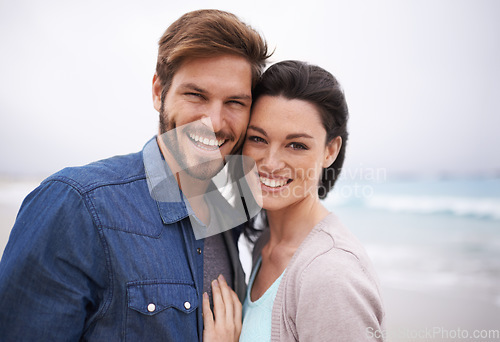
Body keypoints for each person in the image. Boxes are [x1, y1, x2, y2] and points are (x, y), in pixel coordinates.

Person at [0, 9, 270, 341]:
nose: (213, 121)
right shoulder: (78, 205)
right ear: (159, 92)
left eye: (234, 102)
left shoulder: (230, 205)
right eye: (196, 95)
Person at [234, 60, 385, 341]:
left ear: (330, 150)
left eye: (296, 145)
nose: (270, 163)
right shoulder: (264, 244)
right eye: (258, 139)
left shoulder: (331, 276)